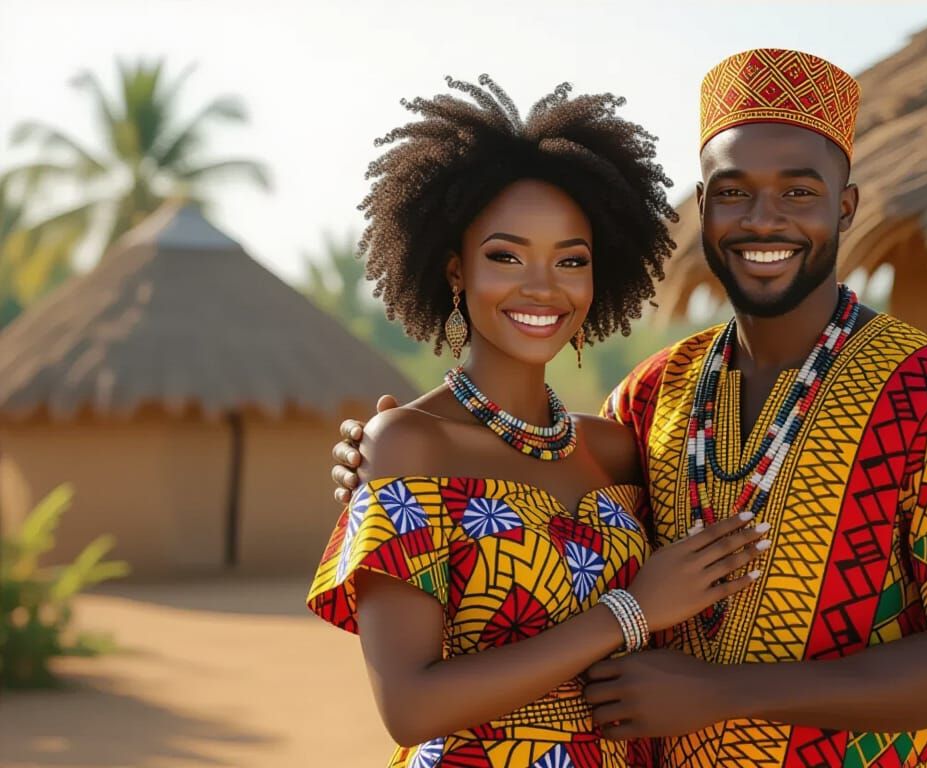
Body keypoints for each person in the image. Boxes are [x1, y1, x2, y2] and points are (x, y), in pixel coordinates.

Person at [332, 50, 927, 767]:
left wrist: (724, 693)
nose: (763, 219)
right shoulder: (653, 398)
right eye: (733, 190)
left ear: (846, 207)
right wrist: (387, 464)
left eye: (799, 192)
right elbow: (515, 507)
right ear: (704, 205)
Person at [307, 75, 772, 768]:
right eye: (506, 255)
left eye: (571, 261)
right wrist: (632, 610)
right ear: (455, 270)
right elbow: (409, 708)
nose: (542, 287)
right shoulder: (410, 443)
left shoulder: (615, 448)